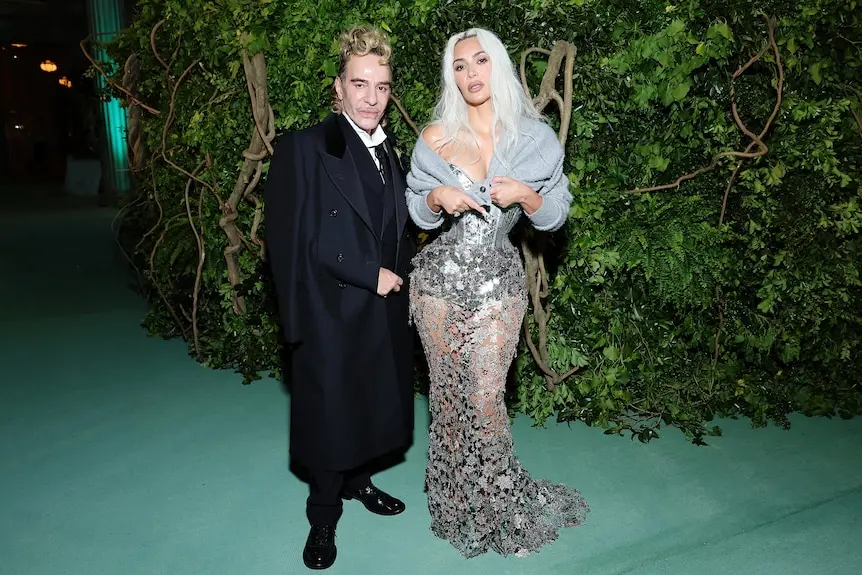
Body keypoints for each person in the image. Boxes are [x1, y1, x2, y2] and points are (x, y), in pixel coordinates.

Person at [405, 28, 589, 558]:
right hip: (438, 283)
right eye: (459, 66)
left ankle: (496, 503)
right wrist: (438, 196)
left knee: (485, 399)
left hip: (497, 286)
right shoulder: (437, 136)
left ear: (498, 66)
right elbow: (415, 207)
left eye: (480, 61)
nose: (470, 75)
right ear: (452, 75)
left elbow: (556, 215)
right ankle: (454, 500)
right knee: (447, 397)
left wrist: (528, 195)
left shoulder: (533, 138)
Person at [265, 25, 415, 571]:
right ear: (339, 88)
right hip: (330, 309)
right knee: (332, 417)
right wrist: (362, 272)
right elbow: (289, 240)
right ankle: (322, 516)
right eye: (360, 84)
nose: (372, 97)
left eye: (381, 86)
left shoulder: (392, 150)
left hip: (382, 310)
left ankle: (359, 483)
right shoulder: (305, 146)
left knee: (371, 401)